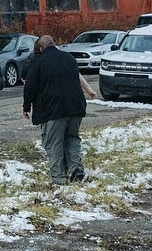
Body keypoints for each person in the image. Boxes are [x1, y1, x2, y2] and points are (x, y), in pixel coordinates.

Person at [22, 34, 99, 185]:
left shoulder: (38, 62)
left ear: (41, 48)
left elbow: (29, 86)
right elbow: (77, 78)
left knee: (54, 143)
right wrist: (89, 92)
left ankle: (59, 179)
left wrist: (26, 107)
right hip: (75, 108)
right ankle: (77, 171)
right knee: (72, 139)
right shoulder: (69, 58)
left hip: (53, 110)